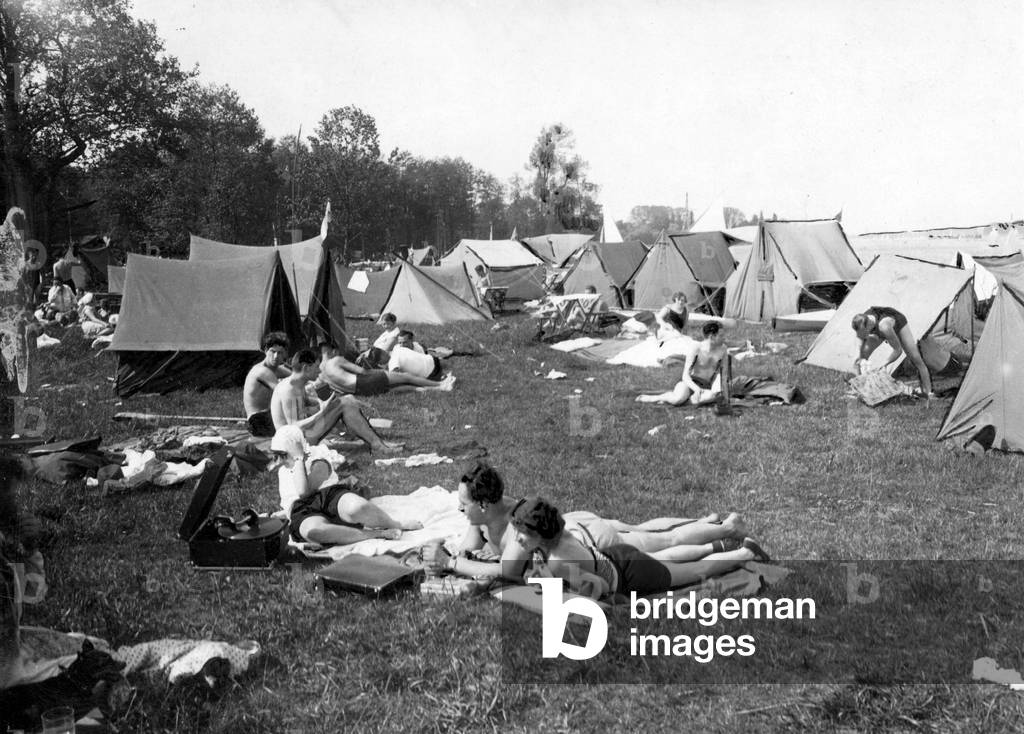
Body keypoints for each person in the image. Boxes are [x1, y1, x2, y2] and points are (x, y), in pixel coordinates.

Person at [423, 461, 752, 581]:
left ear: (483, 503)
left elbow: (505, 572)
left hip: (593, 540)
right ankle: (707, 522)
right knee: (645, 529)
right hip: (576, 527)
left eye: (463, 505)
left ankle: (726, 529)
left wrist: (452, 562)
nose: (459, 509)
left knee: (661, 543)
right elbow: (471, 545)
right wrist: (465, 555)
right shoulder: (482, 514)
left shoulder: (515, 525)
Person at [506, 497, 767, 599]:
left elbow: (599, 587)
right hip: (616, 556)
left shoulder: (558, 561)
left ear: (540, 534)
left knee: (691, 572)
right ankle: (716, 544)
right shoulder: (559, 535)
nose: (517, 538)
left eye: (522, 532)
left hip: (628, 574)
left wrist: (557, 587)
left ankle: (744, 553)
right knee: (667, 557)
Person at [270, 426, 419, 545]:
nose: (280, 460)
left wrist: (298, 459)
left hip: (328, 497)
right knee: (313, 532)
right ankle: (376, 534)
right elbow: (296, 499)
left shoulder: (318, 459)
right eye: (277, 456)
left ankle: (394, 524)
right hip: (303, 511)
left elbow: (304, 491)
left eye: (283, 455)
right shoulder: (283, 471)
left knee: (357, 507)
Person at [0, 453, 45, 689]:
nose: (18, 506)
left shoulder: (7, 545)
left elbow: (32, 596)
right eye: (11, 496)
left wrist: (28, 549)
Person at [636, 321, 729, 406]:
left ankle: (685, 402)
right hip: (689, 383)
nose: (724, 338)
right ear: (712, 337)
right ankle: (655, 398)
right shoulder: (696, 348)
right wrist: (697, 389)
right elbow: (685, 376)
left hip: (706, 385)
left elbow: (723, 374)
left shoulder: (723, 349)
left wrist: (720, 391)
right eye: (721, 336)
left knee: (713, 395)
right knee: (677, 399)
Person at [851, 307, 933, 397]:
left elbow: (898, 350)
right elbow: (858, 351)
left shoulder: (884, 326)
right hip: (877, 328)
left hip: (898, 323)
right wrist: (857, 359)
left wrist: (884, 364)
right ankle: (859, 391)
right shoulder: (861, 322)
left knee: (915, 358)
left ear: (869, 325)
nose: (862, 336)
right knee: (861, 356)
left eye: (864, 333)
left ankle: (928, 392)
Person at [319, 343, 454, 396]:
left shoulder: (322, 373)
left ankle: (437, 389)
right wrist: (381, 372)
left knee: (404, 387)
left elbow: (338, 390)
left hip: (360, 391)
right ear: (334, 351)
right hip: (364, 381)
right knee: (406, 377)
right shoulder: (336, 360)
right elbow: (362, 372)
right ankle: (440, 385)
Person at [243, 332, 292, 437]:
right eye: (272, 351)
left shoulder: (276, 369)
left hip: (267, 416)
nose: (275, 356)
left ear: (285, 354)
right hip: (257, 421)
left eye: (280, 353)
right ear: (265, 351)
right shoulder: (262, 371)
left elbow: (297, 377)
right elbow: (284, 393)